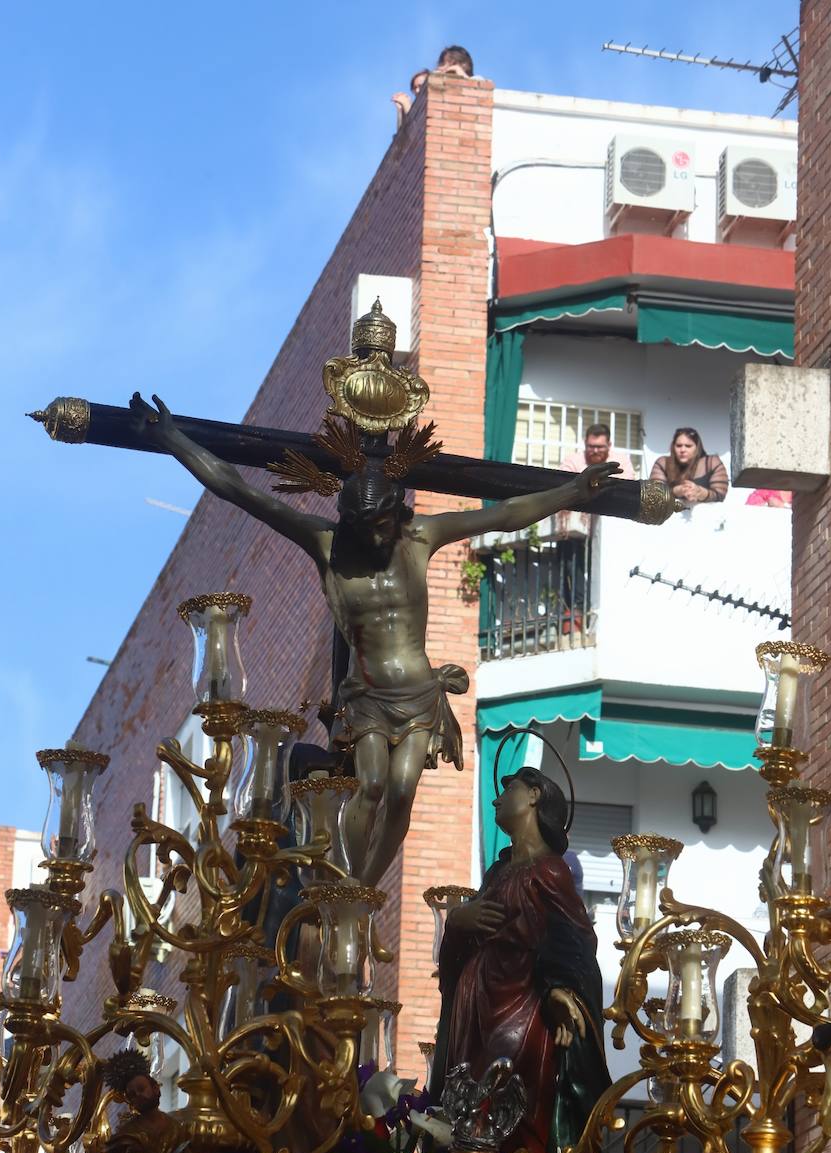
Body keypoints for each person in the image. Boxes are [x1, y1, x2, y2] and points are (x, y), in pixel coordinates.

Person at [131, 325, 619, 887]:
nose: (381, 537)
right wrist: (174, 440)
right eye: (369, 530)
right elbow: (239, 490)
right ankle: (343, 881)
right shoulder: (327, 545)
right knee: (368, 785)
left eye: (386, 525)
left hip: (417, 694)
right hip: (364, 698)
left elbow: (505, 514)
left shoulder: (420, 538)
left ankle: (362, 891)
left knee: (404, 789)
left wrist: (573, 493)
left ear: (397, 515)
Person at [429, 767, 610, 1153]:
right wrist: (457, 922)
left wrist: (564, 990)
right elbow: (466, 936)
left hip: (521, 1004)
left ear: (533, 795)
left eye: (507, 789)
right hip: (474, 1004)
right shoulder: (497, 873)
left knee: (509, 1095)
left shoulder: (549, 870)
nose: (496, 799)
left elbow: (574, 938)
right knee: (466, 1099)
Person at [649, 427, 728, 505]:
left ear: (697, 448)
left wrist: (700, 492)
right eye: (679, 445)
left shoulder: (712, 463)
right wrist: (677, 491)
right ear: (673, 447)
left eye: (688, 446)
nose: (683, 450)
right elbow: (654, 494)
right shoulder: (663, 463)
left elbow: (720, 495)